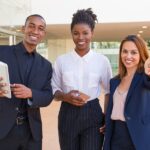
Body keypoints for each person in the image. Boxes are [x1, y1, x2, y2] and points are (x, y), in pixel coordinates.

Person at [52, 8, 112, 150]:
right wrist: (66, 97)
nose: (80, 38)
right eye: (76, 33)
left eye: (85, 33)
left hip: (93, 113)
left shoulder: (102, 61)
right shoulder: (61, 61)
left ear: (92, 33)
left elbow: (109, 91)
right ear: (71, 33)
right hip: (67, 112)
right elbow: (54, 90)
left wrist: (107, 118)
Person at [0, 14, 53, 150]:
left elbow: (48, 96)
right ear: (24, 29)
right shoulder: (2, 52)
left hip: (32, 133)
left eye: (40, 28)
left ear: (43, 34)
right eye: (31, 26)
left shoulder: (46, 65)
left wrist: (31, 93)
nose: (35, 31)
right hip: (4, 130)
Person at [104, 35, 150, 150]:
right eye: (125, 51)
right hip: (116, 135)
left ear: (141, 54)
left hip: (137, 138)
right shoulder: (114, 81)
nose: (128, 56)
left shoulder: (145, 78)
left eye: (134, 52)